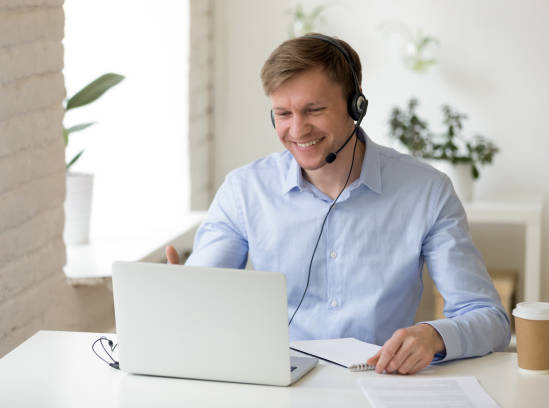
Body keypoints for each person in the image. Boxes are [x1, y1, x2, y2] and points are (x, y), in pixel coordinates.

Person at [166, 33, 510, 375]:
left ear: (356, 106)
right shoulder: (244, 191)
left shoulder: (426, 191)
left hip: (379, 385)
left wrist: (434, 335)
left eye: (314, 110)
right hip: (278, 385)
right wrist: (178, 294)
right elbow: (202, 294)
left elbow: (489, 318)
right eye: (283, 113)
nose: (297, 130)